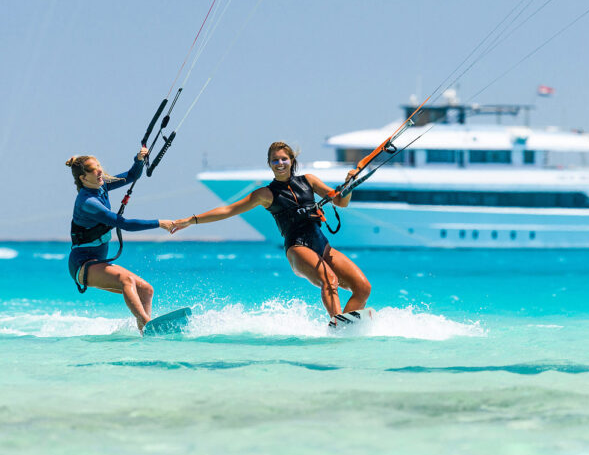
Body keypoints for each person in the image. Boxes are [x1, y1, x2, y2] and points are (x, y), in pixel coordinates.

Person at [172, 141, 371, 320]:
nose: (280, 163)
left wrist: (349, 185)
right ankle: (338, 322)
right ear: (269, 164)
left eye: (284, 159)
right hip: (297, 247)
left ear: (292, 160)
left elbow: (340, 202)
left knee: (363, 287)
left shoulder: (309, 180)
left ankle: (345, 326)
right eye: (275, 160)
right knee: (330, 280)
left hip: (322, 245)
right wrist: (191, 220)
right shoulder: (265, 193)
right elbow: (228, 210)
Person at [66, 147, 174, 332]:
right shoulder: (88, 203)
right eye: (93, 169)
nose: (100, 170)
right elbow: (125, 224)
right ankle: (148, 324)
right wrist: (159, 223)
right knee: (126, 280)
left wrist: (139, 159)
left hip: (97, 261)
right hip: (82, 264)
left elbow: (132, 175)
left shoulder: (101, 186)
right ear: (83, 178)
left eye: (99, 166)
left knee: (146, 290)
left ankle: (144, 333)